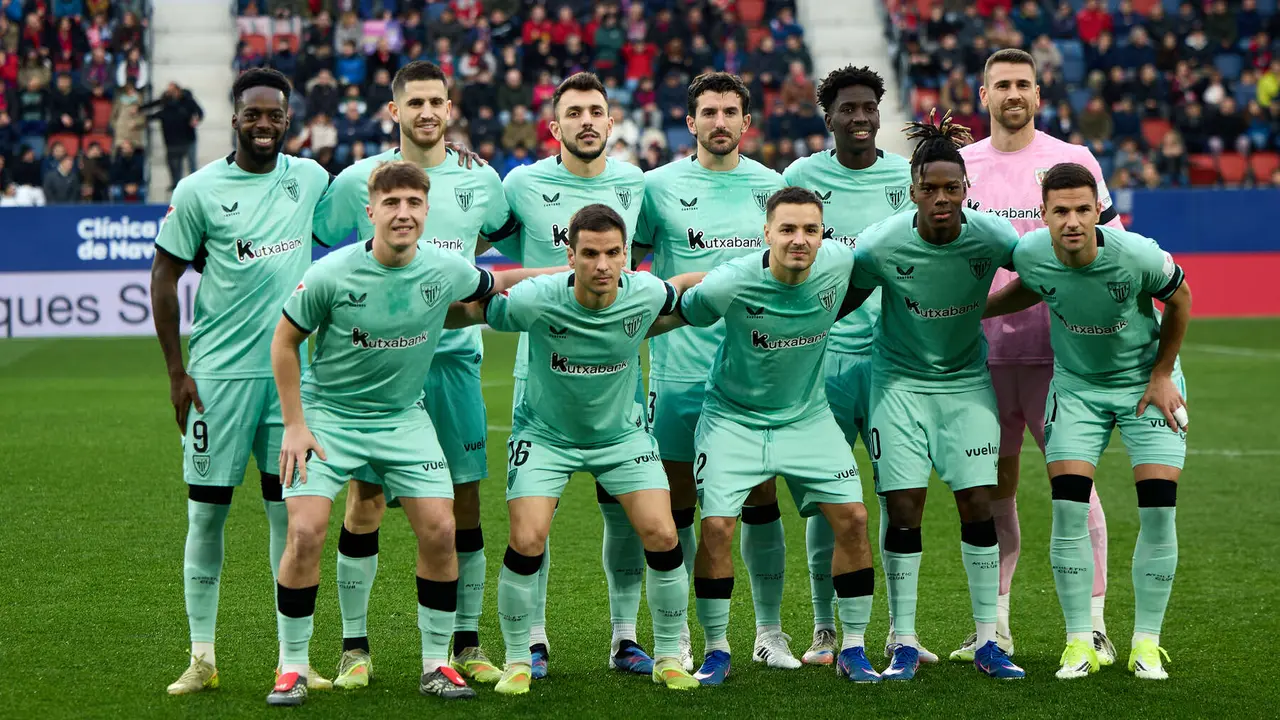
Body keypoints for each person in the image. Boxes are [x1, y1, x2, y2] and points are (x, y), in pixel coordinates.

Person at [266, 161, 553, 706]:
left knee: (442, 529)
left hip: (403, 417)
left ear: (427, 211)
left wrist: (570, 274)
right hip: (331, 416)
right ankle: (293, 665)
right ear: (370, 211)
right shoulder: (331, 273)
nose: (403, 213)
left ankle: (436, 662)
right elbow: (284, 341)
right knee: (305, 531)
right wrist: (295, 424)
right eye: (391, 204)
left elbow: (499, 283)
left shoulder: (445, 268)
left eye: (414, 204)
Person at [310, 60, 517, 690]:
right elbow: (327, 240)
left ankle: (467, 642)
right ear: (394, 111)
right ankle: (354, 648)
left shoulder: (481, 180)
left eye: (437, 101)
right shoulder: (356, 180)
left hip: (453, 359)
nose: (427, 112)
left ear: (450, 108)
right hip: (376, 370)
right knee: (365, 504)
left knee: (464, 500)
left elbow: (493, 240)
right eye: (415, 102)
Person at [445, 204, 705, 694]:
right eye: (590, 254)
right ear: (571, 256)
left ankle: (669, 655)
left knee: (663, 532)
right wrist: (410, 312)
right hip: (545, 436)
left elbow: (686, 287)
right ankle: (520, 659)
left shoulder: (645, 292)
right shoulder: (537, 298)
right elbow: (474, 311)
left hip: (621, 437)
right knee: (527, 539)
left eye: (612, 253)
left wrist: (754, 268)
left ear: (627, 255)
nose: (602, 265)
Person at [151, 68, 333, 695]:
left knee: (293, 520)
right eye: (252, 114)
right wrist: (177, 371)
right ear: (234, 117)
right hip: (218, 380)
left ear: (288, 120)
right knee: (207, 517)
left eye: (274, 115)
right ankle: (202, 656)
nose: (263, 125)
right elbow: (164, 278)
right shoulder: (199, 190)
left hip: (292, 384)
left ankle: (296, 657)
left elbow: (376, 191)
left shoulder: (309, 179)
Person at [985, 162, 1190, 681]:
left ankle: (1147, 642)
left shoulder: (1137, 254)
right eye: (1061, 211)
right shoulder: (1030, 253)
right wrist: (978, 309)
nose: (1072, 221)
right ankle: (1079, 641)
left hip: (1147, 386)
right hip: (1076, 390)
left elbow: (1181, 297)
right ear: (1043, 215)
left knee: (1159, 511)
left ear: (1099, 208)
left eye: (1082, 209)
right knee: (1069, 508)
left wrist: (1163, 373)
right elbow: (1036, 285)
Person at [957, 47, 1123, 663]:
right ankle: (994, 623)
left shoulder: (1073, 160)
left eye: (1023, 83)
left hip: (1063, 356)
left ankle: (1095, 622)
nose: (1013, 94)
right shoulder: (964, 165)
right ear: (983, 95)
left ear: (1038, 92)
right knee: (992, 489)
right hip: (983, 357)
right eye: (1001, 84)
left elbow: (1110, 245)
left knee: (1076, 491)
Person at [848, 110, 1025, 681]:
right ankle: (903, 639)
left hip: (965, 382)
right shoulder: (880, 244)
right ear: (913, 191)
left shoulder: (995, 236)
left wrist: (987, 307)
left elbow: (1039, 276)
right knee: (903, 507)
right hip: (897, 384)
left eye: (952, 188)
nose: (942, 197)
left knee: (978, 502)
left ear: (967, 190)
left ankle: (987, 640)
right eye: (931, 189)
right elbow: (840, 300)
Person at [681, 187, 880, 685]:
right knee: (718, 528)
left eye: (810, 230)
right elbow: (683, 303)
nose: (799, 240)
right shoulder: (733, 279)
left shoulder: (839, 263)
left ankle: (853, 648)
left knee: (853, 518)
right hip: (733, 417)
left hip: (807, 417)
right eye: (787, 229)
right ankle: (717, 649)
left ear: (823, 234)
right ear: (766, 233)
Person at [632, 71, 793, 672]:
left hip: (755, 374)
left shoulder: (775, 188)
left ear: (746, 123)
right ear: (691, 121)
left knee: (758, 499)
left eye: (731, 112)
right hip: (677, 374)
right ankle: (682, 637)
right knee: (677, 511)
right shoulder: (657, 187)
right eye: (709, 112)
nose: (720, 122)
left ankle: (769, 631)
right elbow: (629, 267)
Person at [782, 65, 936, 666]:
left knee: (900, 495)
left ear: (880, 113)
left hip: (893, 358)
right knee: (829, 495)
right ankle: (825, 629)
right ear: (829, 117)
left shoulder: (907, 177)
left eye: (869, 107)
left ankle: (903, 631)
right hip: (822, 358)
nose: (860, 118)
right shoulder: (801, 177)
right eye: (847, 108)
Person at [497, 71, 648, 678]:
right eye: (574, 113)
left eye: (596, 110)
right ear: (553, 126)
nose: (587, 121)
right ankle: (532, 639)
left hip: (616, 380)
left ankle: (626, 637)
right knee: (537, 518)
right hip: (542, 383)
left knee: (626, 512)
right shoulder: (521, 183)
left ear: (611, 122)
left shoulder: (637, 183)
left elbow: (651, 260)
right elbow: (479, 235)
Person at [141, 81, 204, 190]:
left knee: (191, 163)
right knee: (175, 165)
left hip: (188, 138)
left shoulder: (188, 100)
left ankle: (195, 184)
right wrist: (140, 109)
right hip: (172, 140)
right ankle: (176, 185)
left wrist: (196, 119)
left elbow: (200, 112)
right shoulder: (167, 102)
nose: (169, 93)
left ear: (178, 90)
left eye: (172, 91)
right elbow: (155, 104)